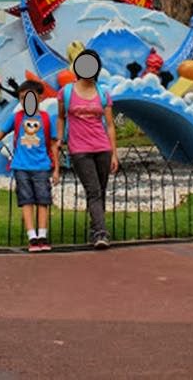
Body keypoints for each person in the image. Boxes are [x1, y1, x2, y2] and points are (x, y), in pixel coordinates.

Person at [0, 80, 59, 253]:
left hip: (41, 166)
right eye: (22, 98)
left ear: (39, 97)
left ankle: (43, 235)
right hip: (21, 166)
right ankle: (32, 236)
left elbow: (54, 144)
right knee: (26, 200)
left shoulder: (46, 118)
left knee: (43, 201)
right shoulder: (16, 117)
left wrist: (56, 169)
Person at [55, 48, 118, 249]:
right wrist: (59, 138)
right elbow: (61, 117)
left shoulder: (102, 94)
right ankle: (101, 233)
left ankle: (96, 227)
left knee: (100, 190)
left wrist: (114, 153)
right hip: (79, 149)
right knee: (93, 190)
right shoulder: (66, 92)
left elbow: (109, 125)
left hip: (102, 147)